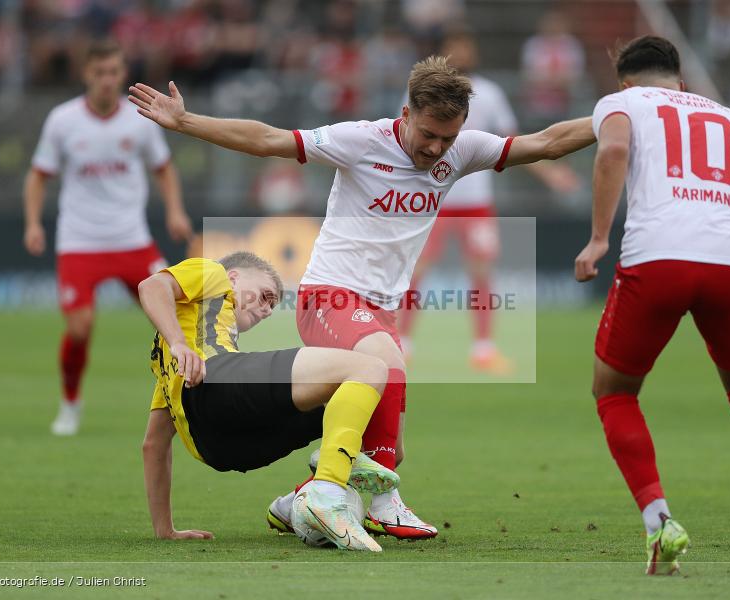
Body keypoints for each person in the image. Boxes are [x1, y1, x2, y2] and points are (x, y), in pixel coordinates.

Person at [128, 55, 594, 540]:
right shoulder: (360, 140)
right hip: (328, 295)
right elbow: (268, 140)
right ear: (406, 113)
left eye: (448, 139)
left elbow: (547, 143)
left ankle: (296, 502)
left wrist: (613, 115)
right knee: (386, 363)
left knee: (386, 441)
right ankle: (386, 505)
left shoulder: (463, 151)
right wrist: (186, 121)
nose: (437, 149)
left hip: (379, 309)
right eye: (428, 134)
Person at [574, 35, 730, 575]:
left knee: (613, 393)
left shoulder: (622, 103)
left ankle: (660, 524)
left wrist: (597, 238)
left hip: (656, 261)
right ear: (681, 84)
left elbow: (611, 150)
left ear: (625, 82)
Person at [139, 251, 398, 551]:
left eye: (272, 306)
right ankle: (329, 485)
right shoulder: (213, 274)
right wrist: (180, 343)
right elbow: (152, 286)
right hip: (219, 385)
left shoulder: (174, 363)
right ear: (234, 277)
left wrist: (164, 529)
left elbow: (154, 444)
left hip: (222, 450)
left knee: (344, 403)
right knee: (369, 368)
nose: (266, 310)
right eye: (264, 296)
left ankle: (338, 461)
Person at [24, 40, 192, 436]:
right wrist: (33, 223)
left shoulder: (139, 119)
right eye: (99, 73)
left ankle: (190, 399)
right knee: (80, 328)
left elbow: (163, 169)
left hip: (132, 240)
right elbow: (38, 175)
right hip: (79, 242)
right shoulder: (62, 120)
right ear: (87, 74)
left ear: (122, 74)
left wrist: (175, 211)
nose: (106, 81)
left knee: (177, 314)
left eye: (114, 72)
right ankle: (70, 403)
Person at [398, 30, 581, 373]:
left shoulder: (490, 94)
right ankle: (402, 343)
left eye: (466, 46)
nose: (462, 53)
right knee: (414, 271)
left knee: (481, 273)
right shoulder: (419, 95)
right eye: (455, 46)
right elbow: (400, 140)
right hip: (430, 201)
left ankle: (483, 349)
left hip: (475, 203)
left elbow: (514, 144)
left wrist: (551, 174)